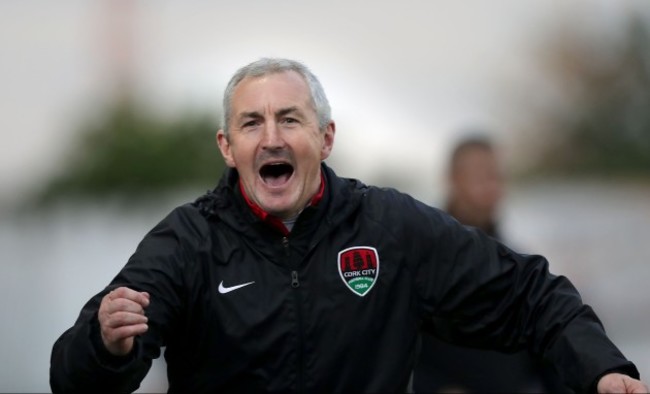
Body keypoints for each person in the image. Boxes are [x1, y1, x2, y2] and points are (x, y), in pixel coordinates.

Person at [50, 58, 646, 393]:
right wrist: (104, 347)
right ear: (228, 148)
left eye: (290, 118)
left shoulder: (389, 226)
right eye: (252, 124)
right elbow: (74, 380)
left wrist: (604, 370)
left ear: (325, 139)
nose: (273, 137)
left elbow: (530, 295)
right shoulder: (187, 242)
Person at [413, 136, 570, 393]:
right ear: (452, 179)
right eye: (479, 176)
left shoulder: (518, 261)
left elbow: (546, 351)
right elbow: (386, 348)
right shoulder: (418, 254)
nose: (490, 186)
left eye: (496, 176)